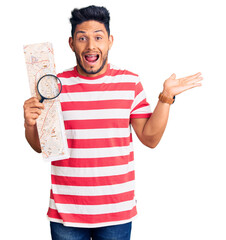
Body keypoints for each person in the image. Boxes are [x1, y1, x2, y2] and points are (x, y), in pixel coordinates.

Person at [23, 5, 203, 240]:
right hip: (66, 212)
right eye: (82, 38)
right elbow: (41, 146)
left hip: (116, 212)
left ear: (110, 41)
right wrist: (29, 124)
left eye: (98, 37)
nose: (91, 46)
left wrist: (166, 97)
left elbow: (150, 139)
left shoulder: (130, 83)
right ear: (71, 43)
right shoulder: (54, 86)